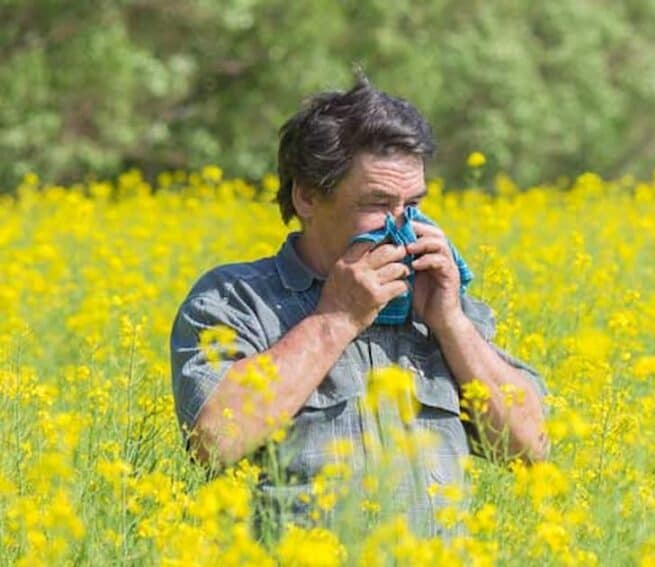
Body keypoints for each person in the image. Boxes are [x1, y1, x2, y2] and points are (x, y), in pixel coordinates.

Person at [169, 72, 548, 536]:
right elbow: (216, 440)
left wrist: (451, 324)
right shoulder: (235, 299)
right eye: (379, 203)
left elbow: (530, 450)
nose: (403, 225)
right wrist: (336, 319)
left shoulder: (438, 306)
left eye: (414, 203)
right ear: (307, 196)